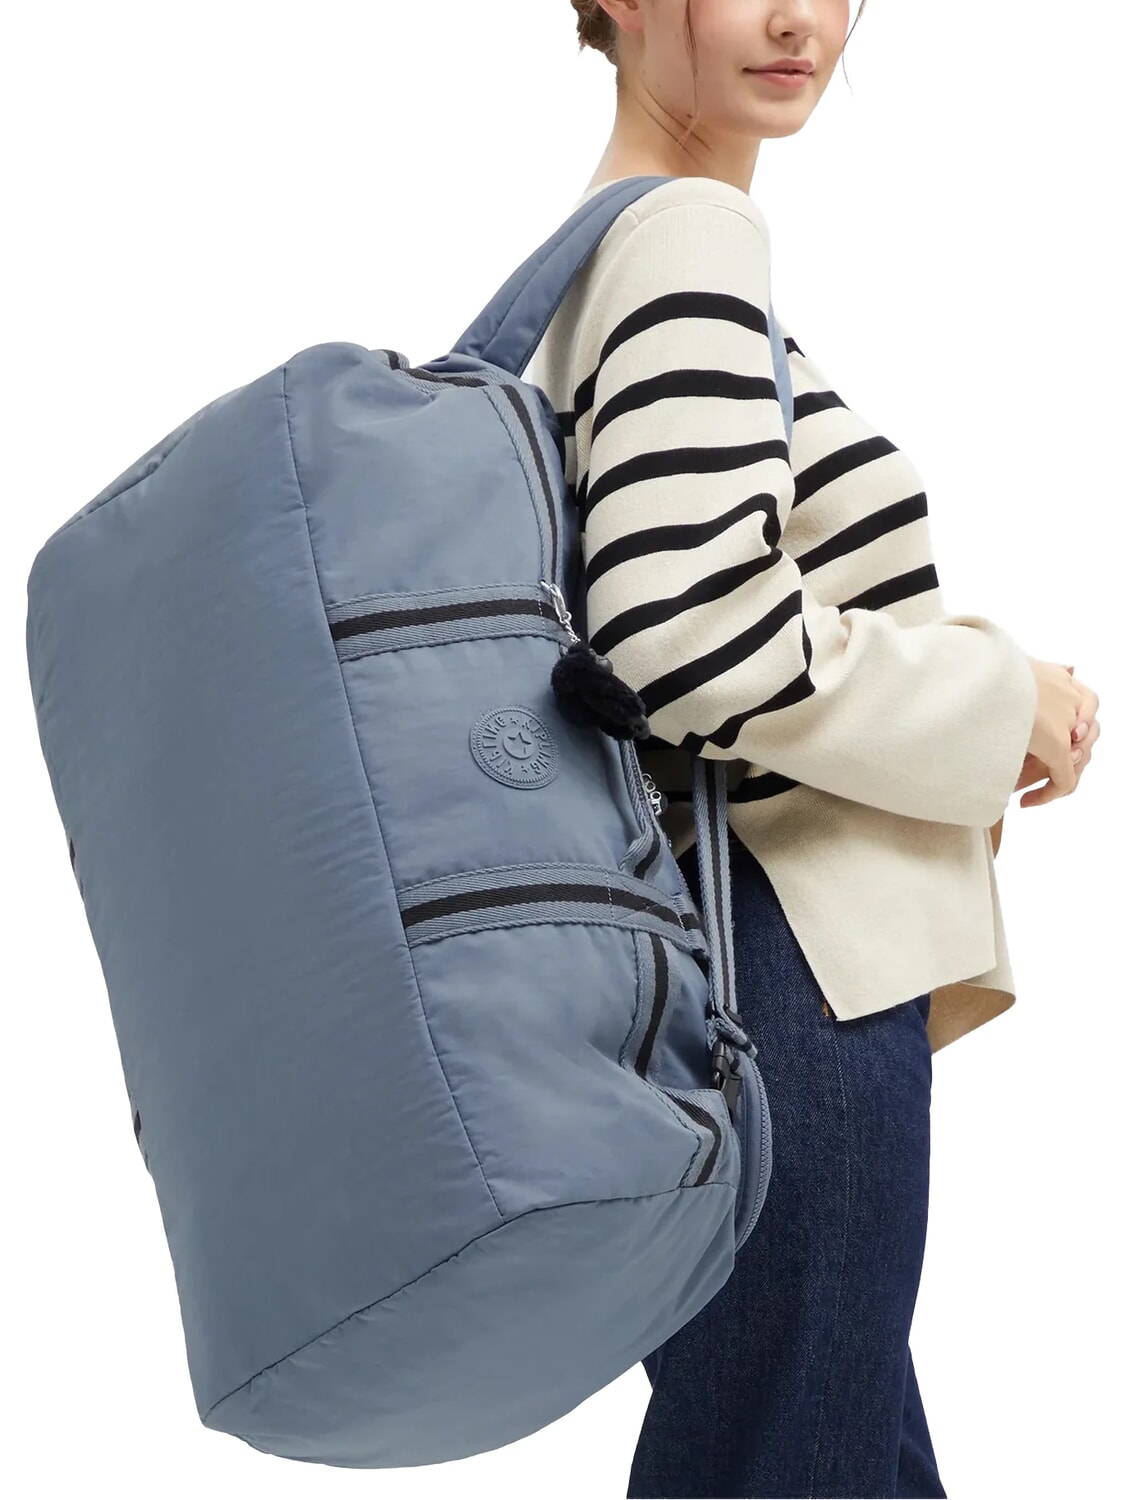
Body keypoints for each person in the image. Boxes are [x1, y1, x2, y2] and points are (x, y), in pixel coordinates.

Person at [528, 2, 1102, 1496]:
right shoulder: (686, 243)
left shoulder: (590, 263)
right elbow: (682, 635)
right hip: (782, 981)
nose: (797, 17)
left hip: (723, 975)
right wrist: (997, 701)